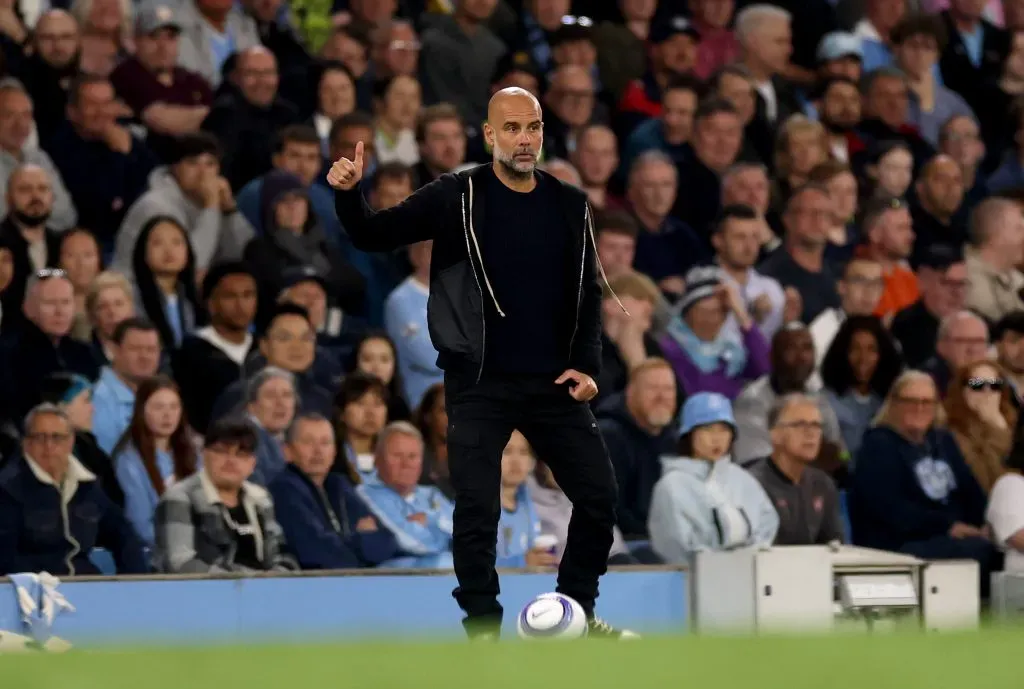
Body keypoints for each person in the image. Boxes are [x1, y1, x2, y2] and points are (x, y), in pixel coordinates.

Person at [329, 86, 633, 639]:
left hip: (552, 383)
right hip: (478, 382)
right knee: (477, 512)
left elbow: (587, 293)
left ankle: (574, 614)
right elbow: (374, 234)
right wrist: (351, 195)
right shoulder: (456, 196)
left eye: (533, 128)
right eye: (512, 128)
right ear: (490, 135)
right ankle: (484, 634)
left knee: (599, 497)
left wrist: (588, 368)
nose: (524, 139)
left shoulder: (568, 203)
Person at [153, 417, 297, 573]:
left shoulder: (261, 499)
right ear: (204, 454)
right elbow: (180, 563)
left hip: (260, 592)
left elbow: (281, 555)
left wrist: (276, 578)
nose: (231, 461)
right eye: (222, 451)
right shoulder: (180, 498)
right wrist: (244, 580)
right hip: (205, 594)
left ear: (252, 463)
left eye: (240, 454)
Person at [648, 392, 779, 563]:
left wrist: (750, 557)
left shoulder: (743, 479)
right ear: (690, 435)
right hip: (691, 582)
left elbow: (767, 523)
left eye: (724, 430)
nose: (716, 438)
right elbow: (674, 547)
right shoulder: (671, 486)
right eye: (707, 429)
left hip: (748, 576)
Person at [268, 412, 399, 569]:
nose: (318, 451)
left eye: (325, 443)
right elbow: (316, 552)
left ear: (334, 451)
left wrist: (347, 543)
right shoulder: (284, 489)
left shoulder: (339, 484)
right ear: (287, 451)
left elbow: (388, 541)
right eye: (308, 442)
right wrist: (361, 540)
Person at [747, 394, 846, 545]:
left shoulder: (823, 484)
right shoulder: (753, 484)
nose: (811, 433)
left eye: (816, 425)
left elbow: (834, 546)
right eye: (800, 425)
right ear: (775, 435)